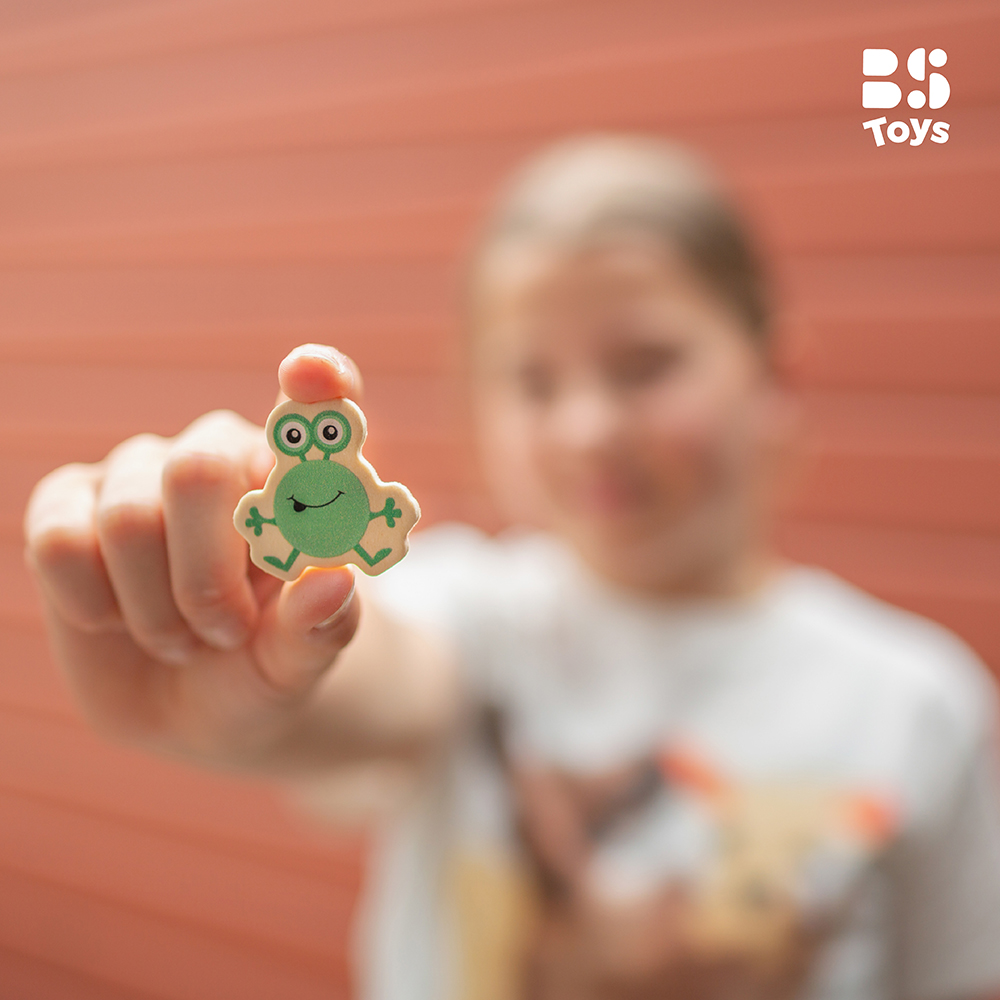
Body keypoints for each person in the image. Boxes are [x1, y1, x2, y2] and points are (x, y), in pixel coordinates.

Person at [23, 135, 1000, 1000]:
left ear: (773, 374)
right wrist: (247, 642)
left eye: (646, 364)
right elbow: (369, 668)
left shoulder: (919, 703)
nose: (588, 428)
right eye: (534, 380)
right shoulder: (473, 615)